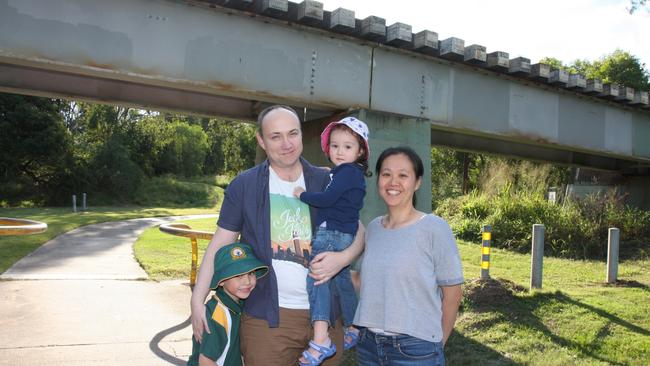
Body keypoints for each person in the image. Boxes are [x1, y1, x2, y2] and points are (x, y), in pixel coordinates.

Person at [190, 105, 365, 366]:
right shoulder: (245, 185)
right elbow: (221, 242)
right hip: (267, 319)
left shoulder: (325, 179)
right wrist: (197, 299)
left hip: (325, 319)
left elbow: (358, 228)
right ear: (261, 140)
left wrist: (343, 258)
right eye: (276, 136)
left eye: (293, 134)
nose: (287, 144)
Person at [353, 146, 464, 366]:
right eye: (386, 174)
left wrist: (436, 345)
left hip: (416, 349)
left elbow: (453, 295)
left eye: (403, 175)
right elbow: (365, 282)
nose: (393, 182)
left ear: (417, 182)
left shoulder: (434, 228)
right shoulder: (374, 228)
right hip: (368, 346)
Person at [293, 117, 371, 365]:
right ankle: (355, 325)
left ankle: (321, 339)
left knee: (317, 279)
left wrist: (302, 194)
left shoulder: (346, 173)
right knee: (341, 279)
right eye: (335, 146)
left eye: (347, 147)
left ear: (360, 151)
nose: (339, 151)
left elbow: (327, 199)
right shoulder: (349, 173)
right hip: (343, 235)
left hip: (331, 234)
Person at [188, 243, 268, 366]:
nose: (247, 281)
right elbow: (206, 361)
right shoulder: (218, 314)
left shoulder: (236, 304)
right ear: (221, 281)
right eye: (238, 275)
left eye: (251, 273)